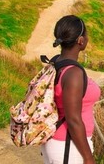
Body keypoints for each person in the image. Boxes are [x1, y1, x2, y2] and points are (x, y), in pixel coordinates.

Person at [41, 15, 100, 164]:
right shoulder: (74, 74)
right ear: (80, 40)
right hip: (68, 146)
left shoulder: (56, 61)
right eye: (85, 35)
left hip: (57, 142)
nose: (87, 38)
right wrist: (88, 157)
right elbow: (73, 120)